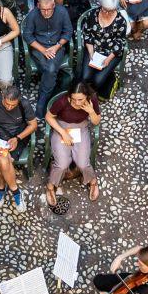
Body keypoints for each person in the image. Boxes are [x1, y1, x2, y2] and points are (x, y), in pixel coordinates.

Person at [43, 82, 102, 211]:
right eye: (73, 99)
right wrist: (63, 133)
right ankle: (51, 185)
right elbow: (49, 117)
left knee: (83, 163)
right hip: (62, 128)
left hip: (81, 128)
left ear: (86, 96)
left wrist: (91, 111)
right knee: (62, 163)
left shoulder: (92, 100)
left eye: (80, 99)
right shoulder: (63, 101)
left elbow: (96, 121)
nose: (76, 102)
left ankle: (92, 180)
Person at [0, 82, 39, 211]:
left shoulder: (24, 104)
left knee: (1, 165)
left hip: (17, 137)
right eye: (7, 103)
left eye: (13, 105)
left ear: (18, 101)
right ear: (3, 97)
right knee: (4, 162)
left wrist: (18, 138)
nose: (9, 107)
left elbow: (33, 125)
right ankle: (16, 191)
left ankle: (1, 188)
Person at [23, 0, 74, 113]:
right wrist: (43, 50)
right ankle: (56, 90)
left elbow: (68, 32)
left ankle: (42, 102)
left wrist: (57, 46)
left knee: (50, 69)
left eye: (49, 9)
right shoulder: (33, 15)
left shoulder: (62, 12)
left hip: (57, 47)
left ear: (53, 5)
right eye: (43, 9)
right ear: (38, 5)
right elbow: (28, 35)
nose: (45, 13)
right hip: (39, 48)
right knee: (50, 70)